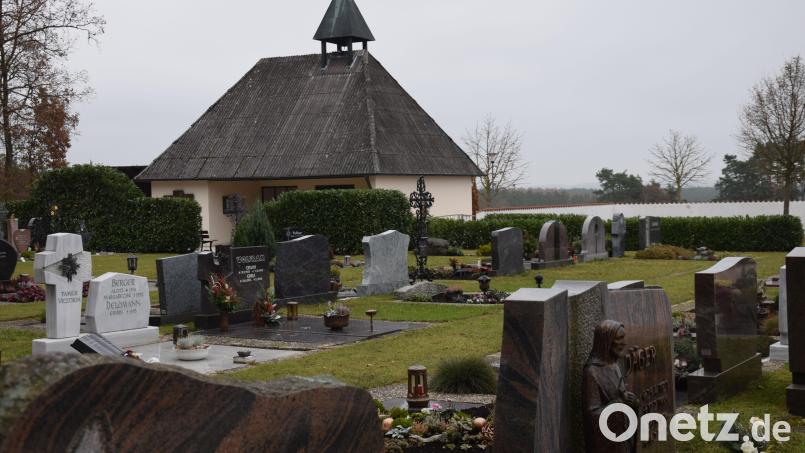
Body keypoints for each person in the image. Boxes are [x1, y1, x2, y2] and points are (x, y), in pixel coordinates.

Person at [583, 320, 639, 453]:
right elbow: (592, 414)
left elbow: (621, 395)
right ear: (606, 341)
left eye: (623, 338)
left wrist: (633, 402)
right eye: (619, 339)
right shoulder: (592, 372)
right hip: (607, 444)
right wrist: (620, 403)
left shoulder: (614, 366)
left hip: (622, 437)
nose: (624, 343)